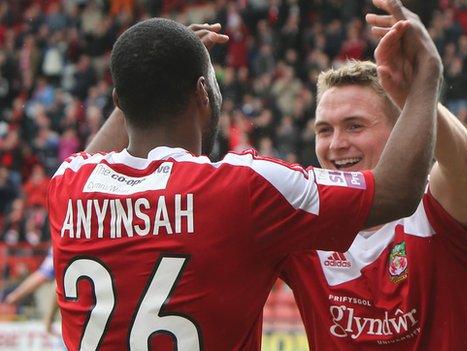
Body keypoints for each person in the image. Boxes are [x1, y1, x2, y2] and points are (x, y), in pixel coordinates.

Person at [48, 6, 442, 351]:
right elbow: (396, 193)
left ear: (120, 102)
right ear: (202, 93)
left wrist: (148, 78)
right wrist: (426, 75)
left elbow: (97, 155)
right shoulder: (243, 186)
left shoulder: (67, 184)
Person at [276, 3, 467, 350]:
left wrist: (417, 92)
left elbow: (464, 165)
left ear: (400, 129)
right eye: (324, 130)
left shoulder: (435, 207)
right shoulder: (304, 222)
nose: (337, 144)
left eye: (355, 126)